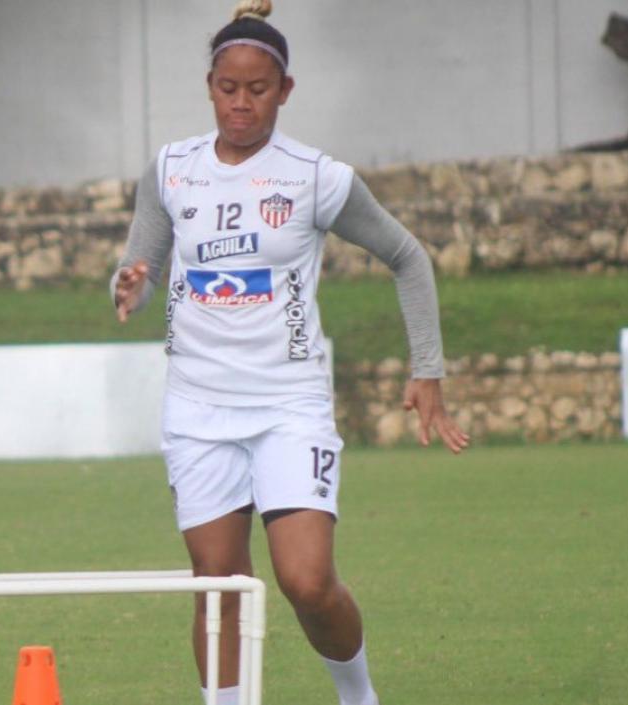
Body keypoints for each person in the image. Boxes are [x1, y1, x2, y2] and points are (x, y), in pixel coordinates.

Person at [111, 2, 470, 704]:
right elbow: (141, 272)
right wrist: (129, 284)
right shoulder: (171, 170)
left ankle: (358, 695)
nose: (241, 104)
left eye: (258, 89)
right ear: (209, 84)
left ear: (285, 90)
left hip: (287, 405)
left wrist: (428, 368)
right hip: (197, 407)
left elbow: (408, 256)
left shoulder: (316, 177)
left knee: (306, 579)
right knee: (218, 588)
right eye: (227, 88)